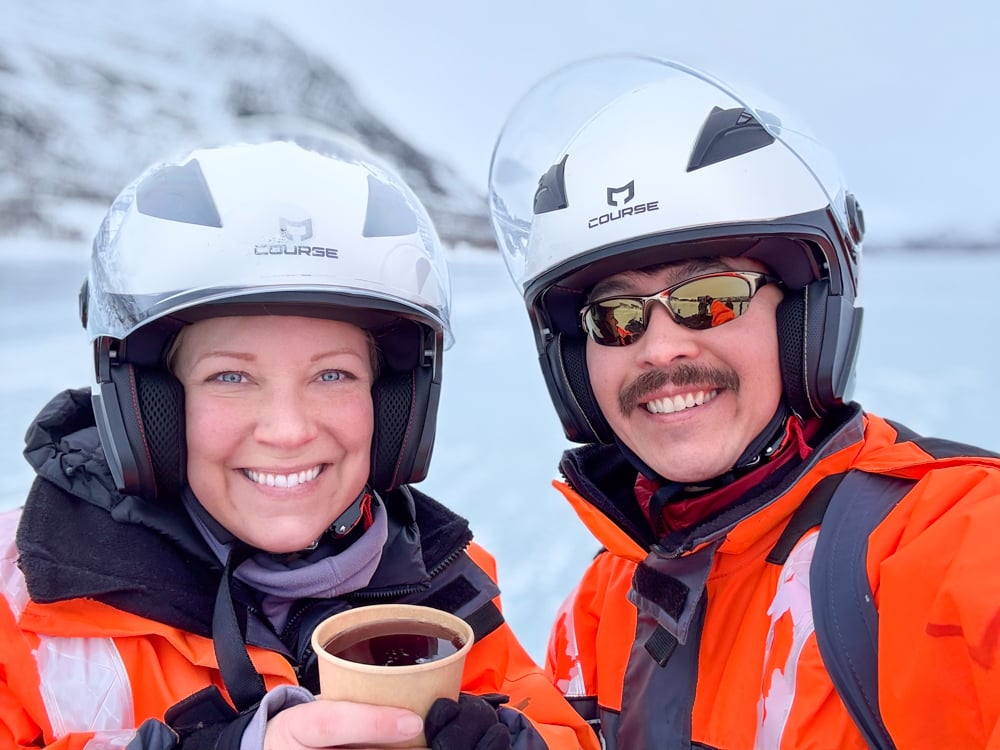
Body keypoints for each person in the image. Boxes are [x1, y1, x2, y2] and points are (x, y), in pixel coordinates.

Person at [1, 135, 598, 750]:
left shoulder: (443, 592)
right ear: (149, 403)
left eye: (332, 375)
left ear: (394, 403)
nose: (287, 430)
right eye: (231, 377)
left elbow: (562, 731)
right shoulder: (24, 603)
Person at [487, 55, 1000, 749]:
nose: (660, 350)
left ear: (806, 318)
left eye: (710, 299)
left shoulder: (946, 546)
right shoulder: (604, 602)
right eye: (616, 317)